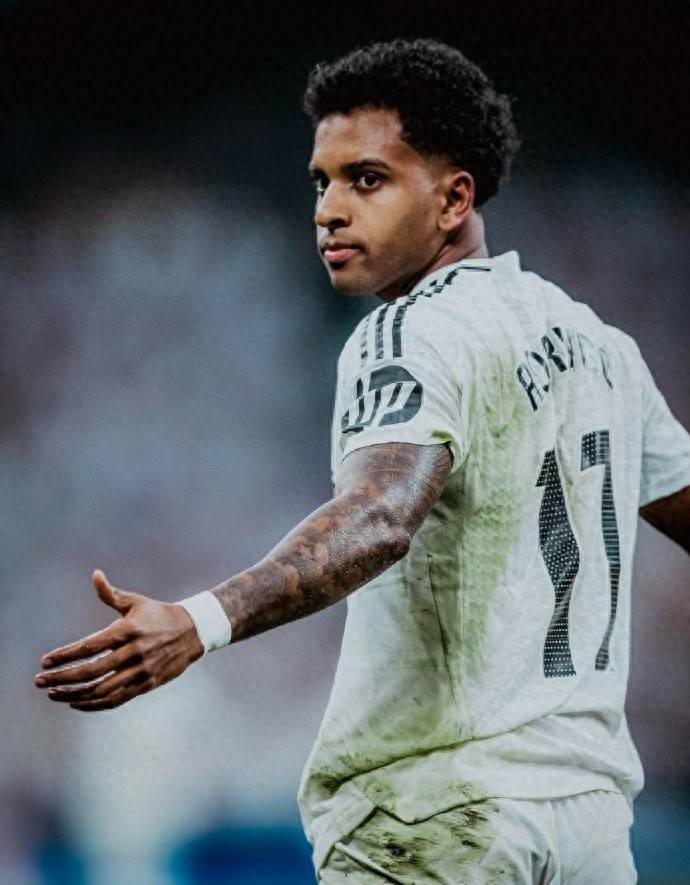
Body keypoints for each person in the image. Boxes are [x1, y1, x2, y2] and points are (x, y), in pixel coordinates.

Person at [34, 38, 690, 884]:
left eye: (367, 179)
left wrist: (200, 622)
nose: (330, 210)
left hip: (441, 813)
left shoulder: (415, 326)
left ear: (454, 198)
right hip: (589, 825)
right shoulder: (603, 349)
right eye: (323, 182)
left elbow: (381, 516)